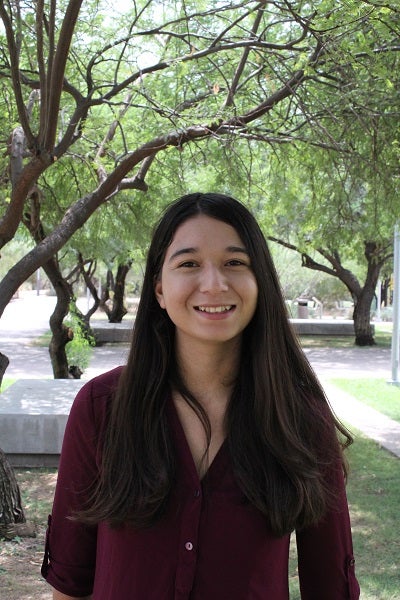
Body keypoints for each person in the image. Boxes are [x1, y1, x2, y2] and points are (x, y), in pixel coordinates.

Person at [41, 192, 360, 600]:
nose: (214, 283)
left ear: (259, 281)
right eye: (189, 264)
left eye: (235, 263)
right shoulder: (101, 408)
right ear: (158, 289)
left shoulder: (300, 420)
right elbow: (70, 582)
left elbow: (331, 586)